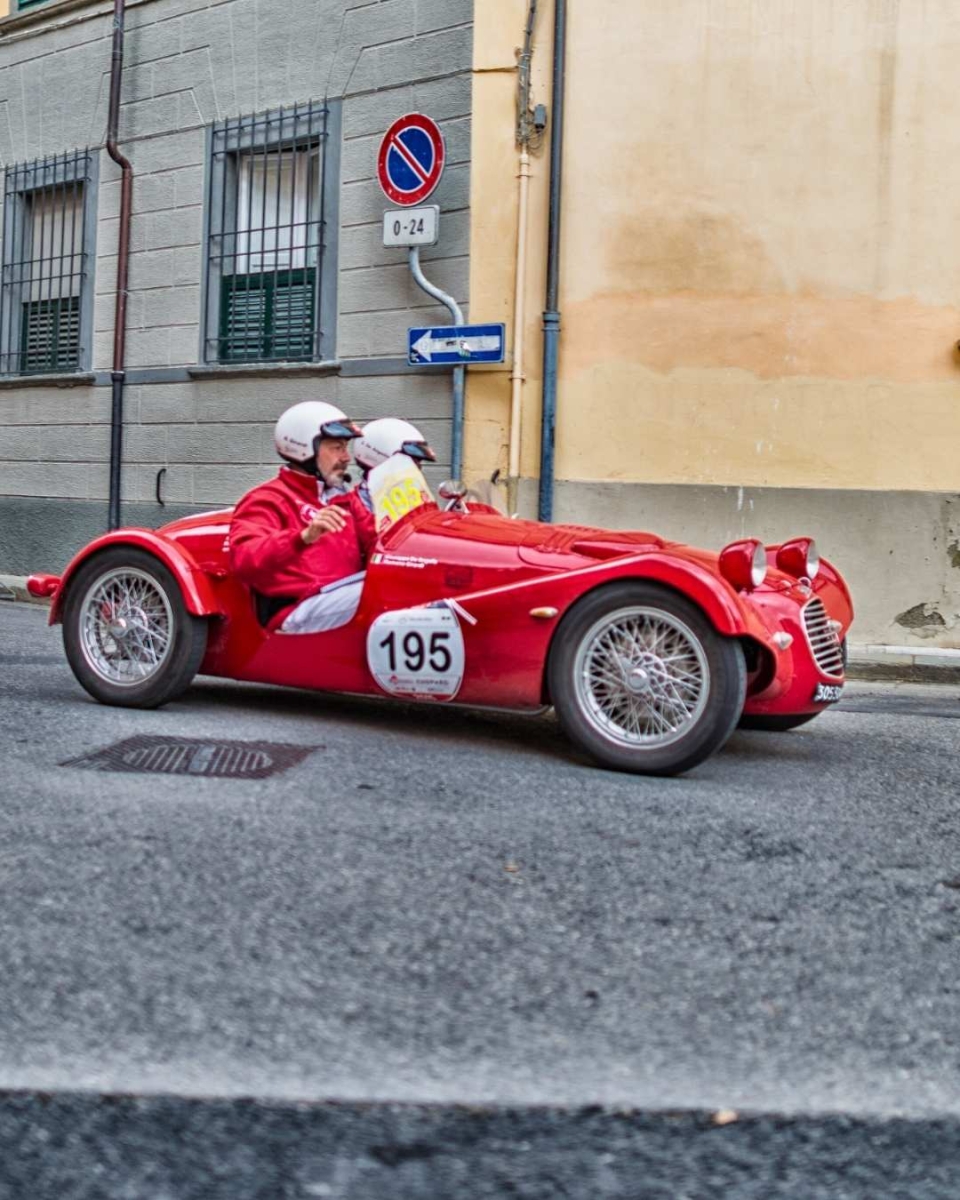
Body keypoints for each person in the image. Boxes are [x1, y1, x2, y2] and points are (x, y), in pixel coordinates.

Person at [229, 401, 375, 634]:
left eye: (346, 448)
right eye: (337, 447)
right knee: (380, 592)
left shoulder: (343, 499)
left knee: (409, 580)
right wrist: (303, 537)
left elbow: (379, 542)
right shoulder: (269, 498)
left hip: (339, 596)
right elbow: (244, 559)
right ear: (306, 449)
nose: (347, 457)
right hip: (296, 607)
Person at [352, 417, 436, 514]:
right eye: (410, 461)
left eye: (418, 463)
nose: (416, 469)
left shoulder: (413, 500)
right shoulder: (352, 506)